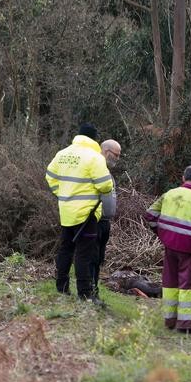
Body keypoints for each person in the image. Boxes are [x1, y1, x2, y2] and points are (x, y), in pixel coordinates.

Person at [46, 123, 113, 304]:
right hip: (87, 213)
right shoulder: (94, 157)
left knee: (65, 249)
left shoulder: (62, 154)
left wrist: (60, 192)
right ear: (94, 139)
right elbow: (106, 185)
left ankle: (62, 287)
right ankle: (85, 294)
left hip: (66, 211)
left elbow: (50, 175)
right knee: (84, 254)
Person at [144, 166, 191, 334]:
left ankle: (169, 320)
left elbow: (150, 214)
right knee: (187, 285)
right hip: (189, 249)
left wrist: (161, 233)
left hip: (170, 246)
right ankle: (185, 325)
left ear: (183, 178)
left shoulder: (169, 194)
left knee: (169, 282)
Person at [93, 139, 121, 297]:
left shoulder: (107, 172)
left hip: (105, 222)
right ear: (106, 151)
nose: (117, 159)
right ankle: (89, 289)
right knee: (93, 256)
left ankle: (94, 287)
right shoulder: (95, 168)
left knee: (99, 257)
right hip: (95, 221)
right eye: (116, 155)